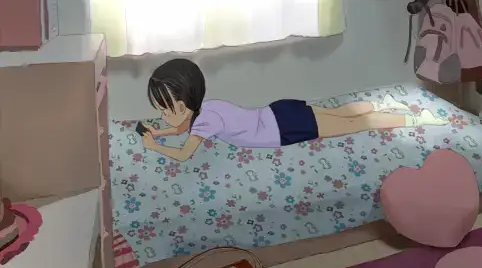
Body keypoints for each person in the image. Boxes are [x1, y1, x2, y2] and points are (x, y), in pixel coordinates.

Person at [141, 59, 450, 162]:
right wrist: (162, 131)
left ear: (180, 105)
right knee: (339, 112)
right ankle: (384, 103)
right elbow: (184, 128)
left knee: (356, 125)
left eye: (164, 111)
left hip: (283, 129)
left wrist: (156, 146)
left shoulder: (202, 122)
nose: (163, 116)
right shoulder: (206, 109)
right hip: (279, 112)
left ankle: (413, 118)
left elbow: (184, 154)